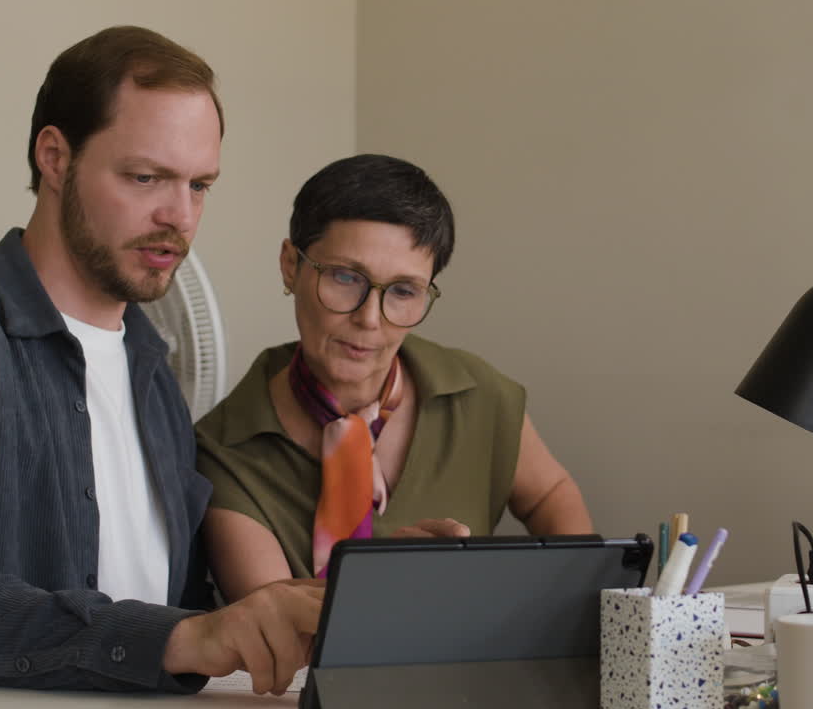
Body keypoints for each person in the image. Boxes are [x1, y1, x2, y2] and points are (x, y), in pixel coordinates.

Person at [0, 26, 319, 695]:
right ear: (55, 159)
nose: (180, 216)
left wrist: (342, 595)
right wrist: (182, 637)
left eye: (200, 185)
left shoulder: (153, 368)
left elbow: (173, 599)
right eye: (146, 177)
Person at [195, 154, 594, 601]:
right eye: (346, 277)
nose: (370, 318)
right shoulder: (223, 450)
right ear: (291, 265)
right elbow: (276, 624)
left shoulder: (478, 393)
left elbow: (550, 494)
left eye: (404, 291)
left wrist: (569, 599)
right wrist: (393, 581)